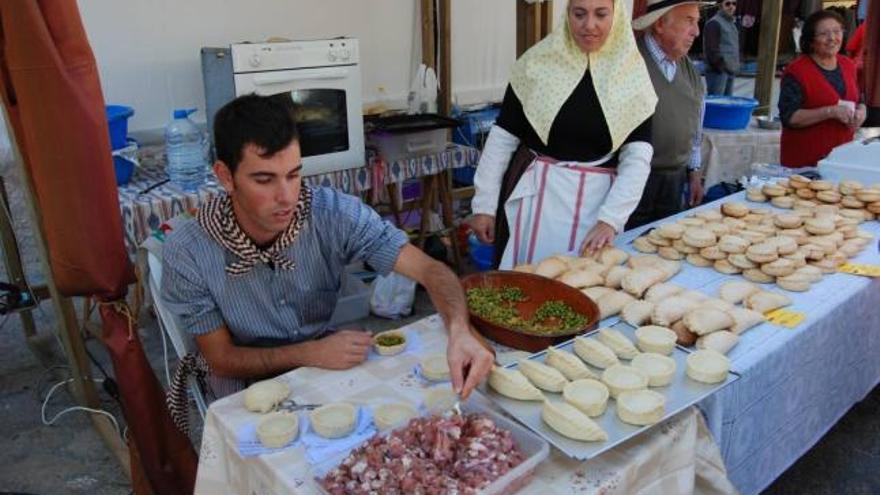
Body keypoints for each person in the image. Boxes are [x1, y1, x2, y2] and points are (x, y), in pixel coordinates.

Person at [161, 94, 493, 399]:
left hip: (322, 360)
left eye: (293, 175)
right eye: (264, 180)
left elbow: (430, 270)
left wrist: (459, 329)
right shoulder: (188, 251)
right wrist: (308, 353)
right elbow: (221, 359)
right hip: (242, 380)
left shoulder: (330, 213)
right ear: (225, 176)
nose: (286, 196)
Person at [469, 0, 656, 268]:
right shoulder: (536, 64)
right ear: (566, 14)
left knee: (583, 288)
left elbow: (638, 157)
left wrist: (611, 220)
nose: (589, 25)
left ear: (617, 17)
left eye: (601, 14)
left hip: (597, 210)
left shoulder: (632, 76)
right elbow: (502, 138)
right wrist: (484, 206)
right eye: (579, 14)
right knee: (526, 286)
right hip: (536, 204)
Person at [628, 0, 710, 229]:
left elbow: (696, 126)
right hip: (634, 180)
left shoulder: (690, 71)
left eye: (697, 22)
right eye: (689, 21)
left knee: (666, 246)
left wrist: (694, 172)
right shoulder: (629, 64)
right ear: (661, 24)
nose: (696, 31)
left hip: (674, 181)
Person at [779, 10, 867, 168]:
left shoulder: (848, 65)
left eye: (836, 31)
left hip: (841, 159)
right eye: (824, 34)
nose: (832, 38)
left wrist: (862, 111)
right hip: (804, 163)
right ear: (811, 40)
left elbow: (858, 99)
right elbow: (790, 117)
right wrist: (830, 112)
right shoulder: (797, 71)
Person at [703, 0, 740, 96]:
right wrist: (721, 67)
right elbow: (711, 50)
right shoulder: (714, 23)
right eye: (727, 4)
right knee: (717, 104)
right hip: (718, 73)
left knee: (726, 105)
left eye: (734, 3)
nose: (731, 6)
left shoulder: (732, 24)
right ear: (720, 6)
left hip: (729, 71)